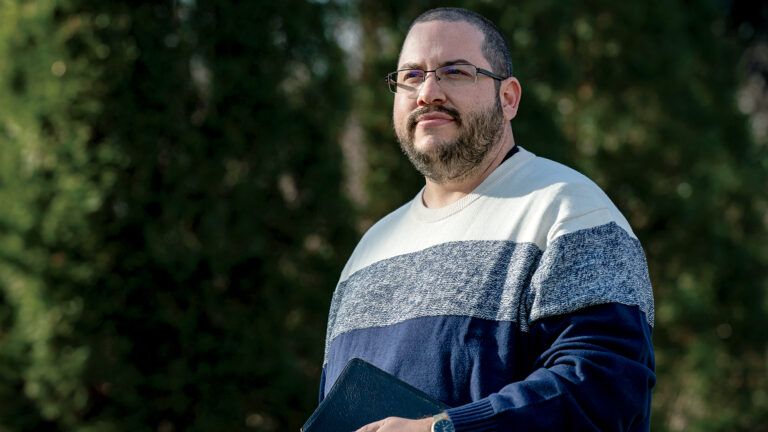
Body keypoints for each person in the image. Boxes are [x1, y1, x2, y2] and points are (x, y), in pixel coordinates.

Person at [319, 7, 655, 432]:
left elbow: (605, 390)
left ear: (508, 98)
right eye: (411, 76)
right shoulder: (369, 251)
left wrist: (445, 428)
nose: (427, 93)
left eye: (455, 72)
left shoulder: (567, 209)